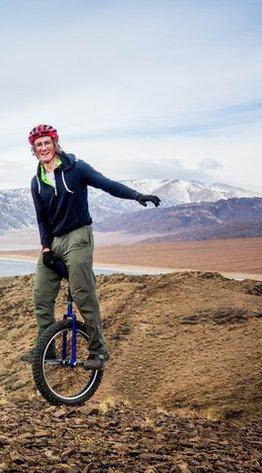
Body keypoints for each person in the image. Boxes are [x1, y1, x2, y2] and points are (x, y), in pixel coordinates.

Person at [21, 124, 160, 370]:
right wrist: (45, 248)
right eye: (38, 145)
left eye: (47, 143)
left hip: (78, 236)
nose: (43, 148)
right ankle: (46, 348)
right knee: (41, 296)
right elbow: (41, 218)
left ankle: (99, 351)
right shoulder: (37, 181)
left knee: (83, 294)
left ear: (55, 143)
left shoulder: (77, 169)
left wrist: (138, 196)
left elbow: (107, 184)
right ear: (33, 149)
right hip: (54, 241)